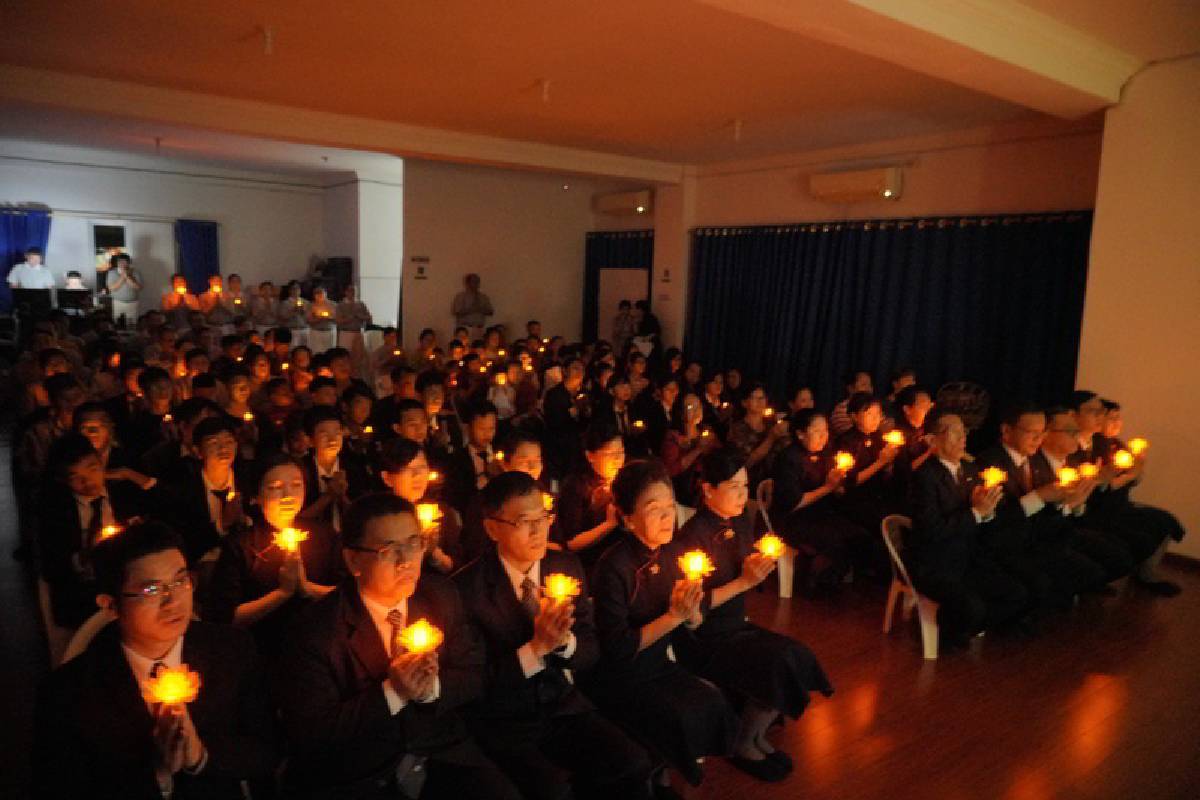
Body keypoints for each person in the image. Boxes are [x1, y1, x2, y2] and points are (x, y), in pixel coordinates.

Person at [277, 493, 522, 799]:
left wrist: (430, 689)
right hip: (362, 771)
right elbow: (314, 733)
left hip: (441, 751)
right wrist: (393, 693)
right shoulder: (315, 630)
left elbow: (474, 674)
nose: (406, 561)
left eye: (413, 543)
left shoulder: (440, 595)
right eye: (389, 549)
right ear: (353, 560)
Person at [34, 521, 278, 799]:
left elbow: (266, 750)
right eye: (151, 590)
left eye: (180, 581)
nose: (172, 601)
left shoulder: (231, 649)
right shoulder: (67, 692)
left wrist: (200, 756)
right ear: (110, 606)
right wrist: (158, 773)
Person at [454, 471, 657, 800]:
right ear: (492, 528)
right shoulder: (465, 590)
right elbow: (477, 685)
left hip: (562, 705)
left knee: (633, 762)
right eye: (523, 521)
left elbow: (590, 649)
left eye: (543, 517)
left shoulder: (565, 566)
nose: (538, 531)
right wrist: (536, 649)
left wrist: (565, 643)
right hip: (506, 720)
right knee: (552, 788)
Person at [677, 447, 834, 781]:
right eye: (733, 487)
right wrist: (743, 581)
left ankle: (757, 734)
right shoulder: (694, 534)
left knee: (795, 654)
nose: (742, 495)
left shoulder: (741, 520)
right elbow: (693, 605)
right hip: (704, 635)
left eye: (745, 487)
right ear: (708, 490)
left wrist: (760, 562)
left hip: (736, 624)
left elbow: (746, 564)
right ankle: (742, 742)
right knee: (777, 662)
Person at [586, 459, 736, 789]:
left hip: (660, 663)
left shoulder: (675, 553)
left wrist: (693, 613)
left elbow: (692, 623)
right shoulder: (614, 566)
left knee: (711, 699)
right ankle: (655, 779)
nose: (668, 517)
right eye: (655, 509)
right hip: (622, 675)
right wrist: (674, 616)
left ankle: (666, 771)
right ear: (627, 517)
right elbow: (617, 650)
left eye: (671, 507)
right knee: (674, 715)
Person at [907, 410, 1029, 648]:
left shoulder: (970, 471)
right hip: (936, 561)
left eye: (964, 430)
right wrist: (975, 512)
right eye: (954, 432)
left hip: (969, 555)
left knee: (1016, 593)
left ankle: (968, 627)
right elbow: (932, 530)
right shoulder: (925, 477)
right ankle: (943, 632)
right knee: (972, 607)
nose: (963, 436)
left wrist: (989, 508)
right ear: (932, 440)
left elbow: (982, 518)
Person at [205, 454, 341, 660]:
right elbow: (225, 617)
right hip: (263, 650)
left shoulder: (324, 534)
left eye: (296, 485)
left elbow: (349, 593)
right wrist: (282, 593)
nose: (288, 495)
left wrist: (309, 589)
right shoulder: (241, 545)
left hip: (321, 647)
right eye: (275, 487)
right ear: (256, 496)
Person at [770, 409, 861, 595]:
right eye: (817, 431)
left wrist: (839, 483)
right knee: (833, 539)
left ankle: (828, 578)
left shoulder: (826, 454)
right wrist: (827, 487)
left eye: (826, 430)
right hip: (793, 519)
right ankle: (814, 581)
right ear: (800, 433)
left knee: (857, 534)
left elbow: (836, 489)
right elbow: (792, 503)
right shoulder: (788, 458)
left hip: (820, 514)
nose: (823, 436)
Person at [553, 423, 625, 568]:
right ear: (590, 456)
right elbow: (571, 543)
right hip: (591, 563)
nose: (618, 459)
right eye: (610, 454)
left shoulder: (626, 477)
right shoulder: (575, 486)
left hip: (623, 558)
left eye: (621, 452)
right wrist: (609, 524)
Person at [451, 273, 494, 340]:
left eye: (477, 282)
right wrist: (470, 309)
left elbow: (491, 312)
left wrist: (481, 309)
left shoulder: (483, 297)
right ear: (467, 283)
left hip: (479, 328)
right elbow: (456, 312)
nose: (476, 284)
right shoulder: (461, 296)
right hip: (466, 329)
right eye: (474, 282)